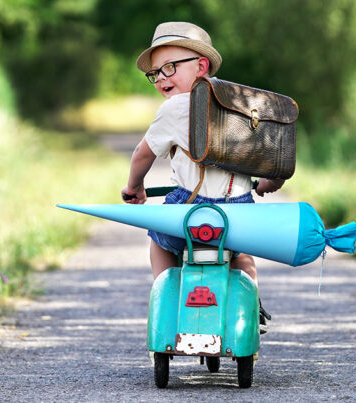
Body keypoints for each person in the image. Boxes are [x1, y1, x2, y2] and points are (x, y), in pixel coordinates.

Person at [121, 22, 283, 332]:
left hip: (189, 211)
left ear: (201, 66)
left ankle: (167, 301)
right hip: (239, 212)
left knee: (159, 241)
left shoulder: (174, 108)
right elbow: (270, 159)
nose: (161, 79)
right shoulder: (242, 103)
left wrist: (135, 186)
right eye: (155, 73)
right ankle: (251, 304)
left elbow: (143, 153)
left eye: (170, 68)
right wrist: (266, 184)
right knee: (241, 252)